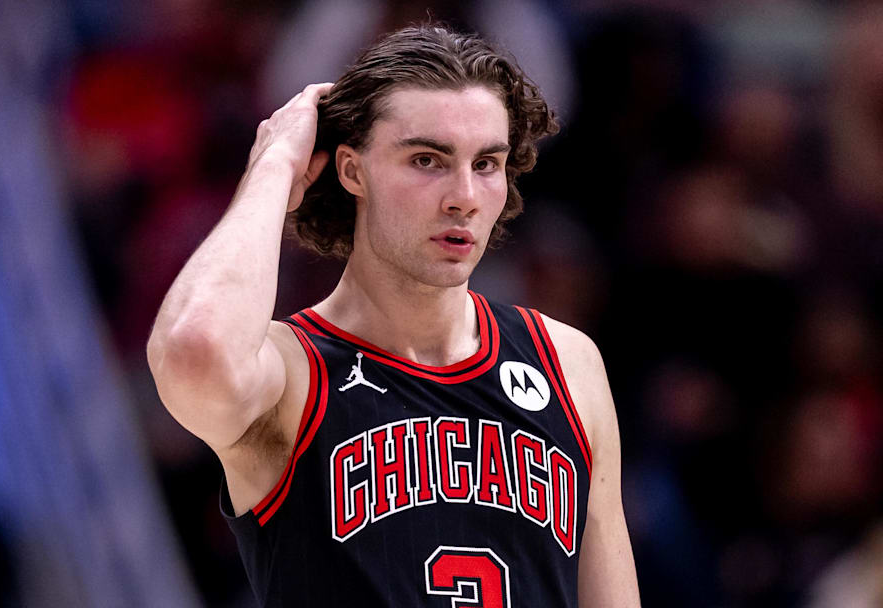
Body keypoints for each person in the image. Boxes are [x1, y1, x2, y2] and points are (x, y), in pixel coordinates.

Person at [147, 24, 640, 607]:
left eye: (486, 164)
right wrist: (275, 165)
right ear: (353, 172)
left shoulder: (567, 361)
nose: (464, 195)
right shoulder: (291, 375)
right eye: (427, 159)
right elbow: (193, 348)